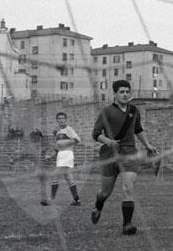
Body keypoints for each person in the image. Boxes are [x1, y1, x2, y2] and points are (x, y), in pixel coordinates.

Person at [91, 80, 157, 235]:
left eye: (127, 91)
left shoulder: (134, 110)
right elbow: (96, 134)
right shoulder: (107, 111)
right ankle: (98, 205)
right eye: (122, 92)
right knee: (105, 192)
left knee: (128, 187)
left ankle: (127, 224)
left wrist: (147, 144)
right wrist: (108, 141)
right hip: (109, 154)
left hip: (129, 152)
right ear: (115, 94)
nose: (125, 94)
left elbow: (138, 129)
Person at [42, 112, 81, 206]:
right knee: (68, 177)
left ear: (66, 119)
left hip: (67, 154)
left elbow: (78, 140)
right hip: (60, 156)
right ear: (57, 120)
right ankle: (77, 200)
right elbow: (58, 148)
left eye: (63, 118)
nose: (61, 120)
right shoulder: (58, 132)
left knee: (54, 175)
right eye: (59, 118)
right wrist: (50, 157)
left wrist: (65, 143)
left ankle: (51, 199)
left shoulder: (69, 129)